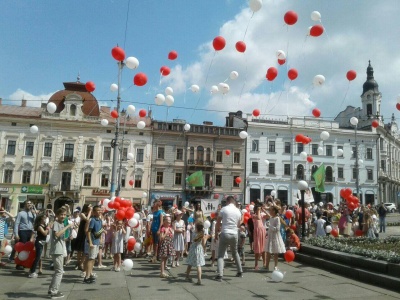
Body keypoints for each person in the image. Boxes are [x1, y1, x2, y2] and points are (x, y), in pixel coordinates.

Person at [214, 196, 243, 282]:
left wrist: (216, 233)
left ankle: (220, 274)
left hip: (225, 232)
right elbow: (238, 224)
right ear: (233, 202)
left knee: (220, 255)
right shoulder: (238, 211)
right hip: (234, 234)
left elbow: (218, 222)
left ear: (227, 201)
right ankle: (240, 271)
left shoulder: (224, 209)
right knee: (235, 253)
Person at [48, 207, 73, 299]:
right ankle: (54, 292)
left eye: (64, 215)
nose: (63, 216)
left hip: (60, 249)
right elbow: (57, 234)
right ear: (57, 215)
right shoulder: (56, 223)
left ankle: (52, 289)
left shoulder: (61, 223)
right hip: (57, 250)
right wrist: (67, 226)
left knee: (58, 271)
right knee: (59, 271)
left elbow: (60, 237)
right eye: (61, 214)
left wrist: (68, 238)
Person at [12, 200, 36, 269]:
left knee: (29, 248)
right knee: (22, 247)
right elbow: (16, 224)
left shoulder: (32, 213)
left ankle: (25, 262)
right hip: (23, 231)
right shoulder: (21, 213)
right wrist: (16, 234)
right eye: (27, 203)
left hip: (30, 231)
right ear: (25, 205)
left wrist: (34, 214)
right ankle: (19, 264)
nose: (29, 204)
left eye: (30, 203)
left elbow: (36, 222)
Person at [84, 205, 103, 284]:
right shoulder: (93, 220)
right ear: (94, 212)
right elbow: (88, 231)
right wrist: (90, 242)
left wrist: (101, 239)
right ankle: (87, 276)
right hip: (93, 242)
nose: (99, 212)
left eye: (100, 210)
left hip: (97, 241)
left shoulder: (100, 220)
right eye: (97, 211)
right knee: (90, 259)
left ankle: (91, 273)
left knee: (94, 259)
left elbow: (100, 230)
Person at [265, 206, 286, 271]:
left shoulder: (277, 218)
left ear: (274, 211)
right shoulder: (271, 218)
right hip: (270, 236)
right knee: (268, 252)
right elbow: (270, 228)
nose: (270, 212)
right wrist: (267, 232)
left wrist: (270, 226)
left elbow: (277, 229)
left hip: (275, 237)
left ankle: (275, 266)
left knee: (275, 252)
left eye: (271, 210)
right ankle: (266, 266)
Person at [72, 204, 92, 271]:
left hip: (86, 232)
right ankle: (78, 263)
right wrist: (89, 212)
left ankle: (81, 263)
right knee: (80, 249)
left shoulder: (90, 214)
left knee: (84, 250)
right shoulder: (82, 214)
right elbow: (87, 219)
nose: (90, 207)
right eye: (90, 206)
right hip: (81, 232)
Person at [252, 205, 266, 270]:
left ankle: (264, 263)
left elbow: (269, 216)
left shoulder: (262, 214)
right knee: (257, 247)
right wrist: (258, 210)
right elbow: (258, 218)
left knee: (263, 248)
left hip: (262, 231)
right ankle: (256, 264)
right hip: (257, 232)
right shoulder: (253, 215)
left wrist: (264, 210)